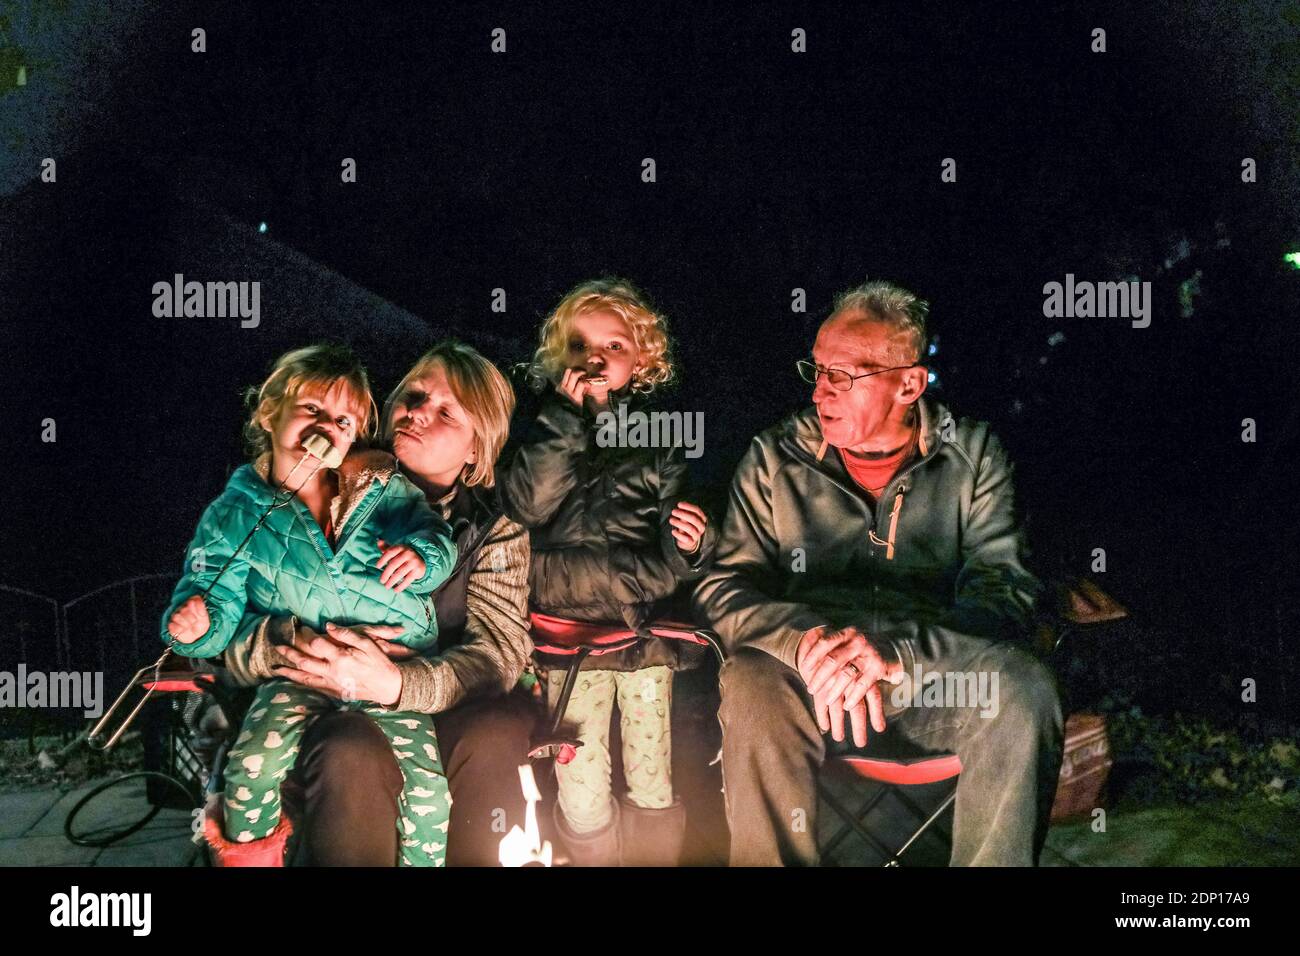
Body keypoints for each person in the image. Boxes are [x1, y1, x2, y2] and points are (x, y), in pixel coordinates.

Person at [693, 280, 1064, 866]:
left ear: (909, 384)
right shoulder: (774, 458)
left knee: (1023, 690)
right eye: (816, 371)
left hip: (928, 678)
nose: (820, 392)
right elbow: (724, 583)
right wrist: (803, 642)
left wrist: (901, 654)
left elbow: (1004, 589)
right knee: (750, 683)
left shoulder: (972, 457)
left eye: (844, 375)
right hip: (809, 683)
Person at [224, 339, 536, 867]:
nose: (416, 413)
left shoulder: (492, 532)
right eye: (413, 396)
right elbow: (226, 630)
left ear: (476, 450)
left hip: (443, 705)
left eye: (445, 413)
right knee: (351, 749)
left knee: (498, 733)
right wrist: (297, 647)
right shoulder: (308, 487)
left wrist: (398, 684)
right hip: (325, 706)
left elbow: (499, 654)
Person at [162, 343, 459, 866]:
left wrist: (422, 557)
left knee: (430, 791)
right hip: (297, 675)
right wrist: (197, 624)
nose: (327, 428)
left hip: (392, 667)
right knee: (253, 760)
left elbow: (435, 535)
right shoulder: (234, 513)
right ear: (269, 412)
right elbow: (215, 592)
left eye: (343, 422)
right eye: (312, 411)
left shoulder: (381, 488)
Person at [501, 278, 715, 866]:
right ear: (556, 356)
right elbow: (525, 508)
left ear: (643, 359)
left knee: (651, 773)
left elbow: (679, 545)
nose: (594, 360)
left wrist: (698, 544)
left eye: (614, 347)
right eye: (579, 346)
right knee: (580, 777)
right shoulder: (538, 426)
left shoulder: (662, 440)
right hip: (563, 636)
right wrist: (565, 420)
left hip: (643, 634)